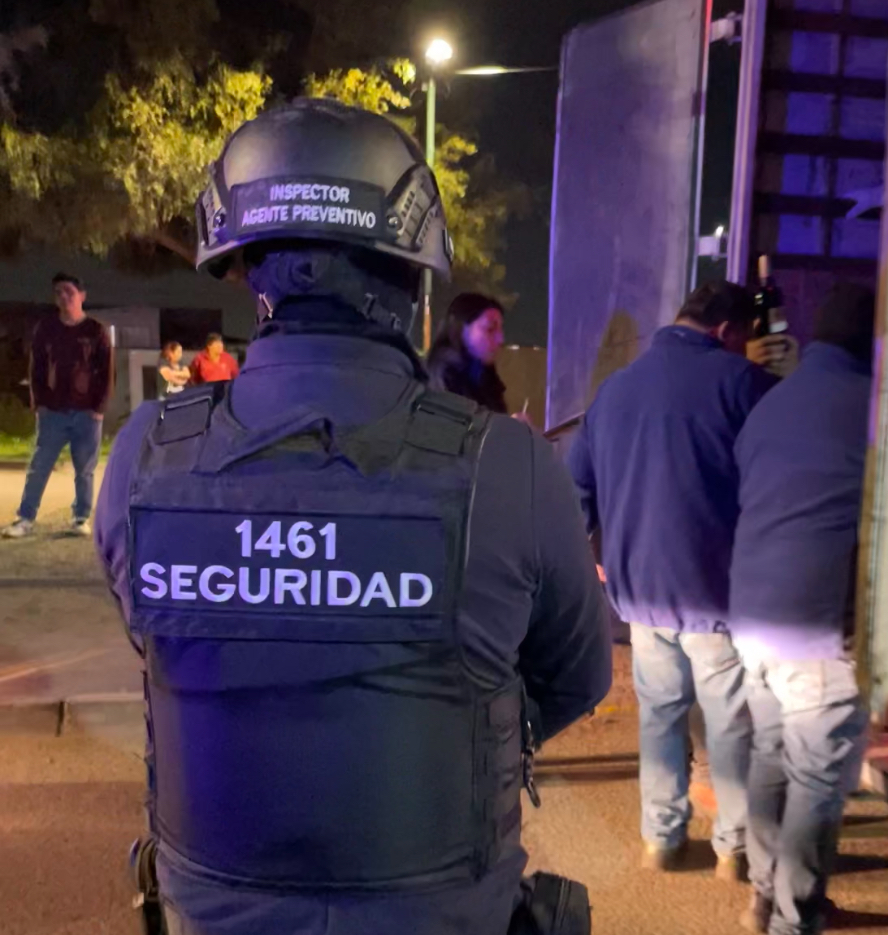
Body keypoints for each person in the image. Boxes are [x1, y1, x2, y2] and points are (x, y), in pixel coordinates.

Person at [94, 98, 611, 935]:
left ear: (247, 268)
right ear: (412, 275)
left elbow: (161, 641)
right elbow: (576, 675)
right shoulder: (505, 463)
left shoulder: (146, 452)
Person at [567, 281, 777, 880]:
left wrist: (591, 555)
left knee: (659, 715)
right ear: (726, 331)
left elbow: (576, 486)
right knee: (728, 721)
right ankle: (734, 849)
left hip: (638, 590)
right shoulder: (743, 384)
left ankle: (661, 840)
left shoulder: (615, 391)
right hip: (715, 587)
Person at [729, 283, 876, 935]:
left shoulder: (770, 403)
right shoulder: (875, 408)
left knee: (770, 753)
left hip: (750, 617)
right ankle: (795, 917)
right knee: (816, 777)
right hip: (814, 627)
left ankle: (764, 893)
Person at [2, 272, 111, 539]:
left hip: (87, 412)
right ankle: (25, 518)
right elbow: (36, 367)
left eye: (69, 292)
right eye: (58, 293)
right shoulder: (46, 328)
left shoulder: (96, 330)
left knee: (84, 469)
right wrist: (38, 402)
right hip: (53, 412)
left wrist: (99, 407)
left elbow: (106, 371)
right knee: (39, 465)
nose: (63, 297)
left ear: (82, 296)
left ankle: (80, 517)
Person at [426, 293, 508, 413]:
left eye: (500, 329)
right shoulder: (442, 378)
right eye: (490, 329)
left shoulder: (485, 377)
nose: (500, 338)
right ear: (460, 329)